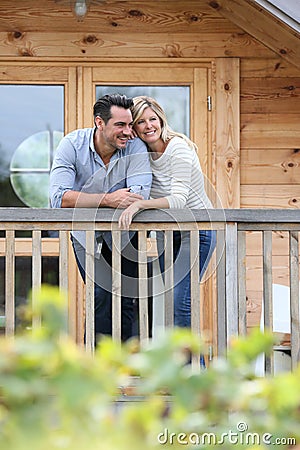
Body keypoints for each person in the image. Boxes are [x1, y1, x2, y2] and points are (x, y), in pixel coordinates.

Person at [49, 93, 152, 343]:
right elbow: (59, 199)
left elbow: (139, 195)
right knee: (100, 296)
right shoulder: (72, 145)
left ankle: (130, 371)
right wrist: (108, 199)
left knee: (130, 299)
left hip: (127, 232)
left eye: (129, 124)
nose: (128, 131)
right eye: (120, 125)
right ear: (99, 123)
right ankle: (97, 368)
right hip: (85, 234)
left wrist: (86, 199)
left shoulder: (135, 146)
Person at [119, 96, 216, 340]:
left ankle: (195, 371)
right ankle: (185, 368)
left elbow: (178, 200)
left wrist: (139, 205)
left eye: (153, 119)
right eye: (141, 122)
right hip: (168, 234)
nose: (149, 125)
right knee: (172, 303)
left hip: (197, 232)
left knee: (181, 303)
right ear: (134, 127)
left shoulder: (178, 148)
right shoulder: (141, 155)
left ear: (161, 120)